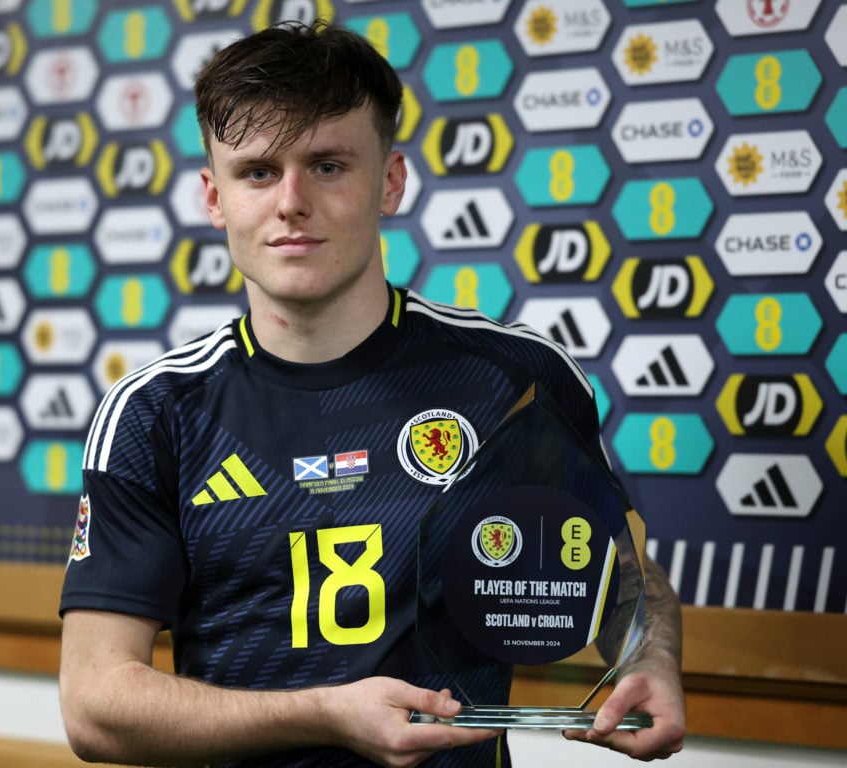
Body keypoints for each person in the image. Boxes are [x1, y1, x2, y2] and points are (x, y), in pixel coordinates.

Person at [58, 21, 686, 768]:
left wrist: (648, 660)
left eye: (327, 166)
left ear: (390, 180)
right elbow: (96, 704)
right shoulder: (154, 412)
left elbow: (617, 570)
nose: (291, 201)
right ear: (214, 196)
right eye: (258, 171)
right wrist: (326, 713)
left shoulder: (514, 377)